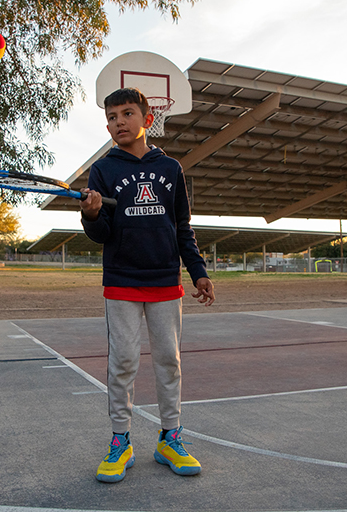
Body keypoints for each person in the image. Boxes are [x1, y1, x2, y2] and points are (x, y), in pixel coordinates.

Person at [80, 87, 215, 483]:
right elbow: (102, 232)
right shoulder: (104, 170)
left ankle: (169, 438)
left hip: (164, 283)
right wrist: (90, 215)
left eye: (126, 114)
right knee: (122, 362)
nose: (118, 122)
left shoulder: (171, 169)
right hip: (121, 282)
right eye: (112, 117)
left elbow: (182, 229)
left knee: (168, 363)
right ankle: (121, 441)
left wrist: (198, 271)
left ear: (147, 119)